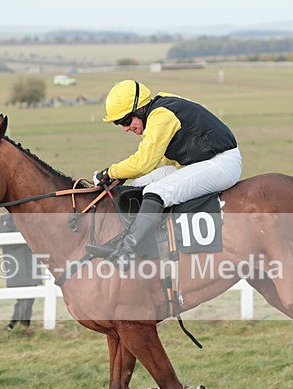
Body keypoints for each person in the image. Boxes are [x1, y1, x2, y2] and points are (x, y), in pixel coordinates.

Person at [85, 79, 242, 265]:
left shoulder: (161, 116)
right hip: (197, 163)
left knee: (157, 191)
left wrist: (110, 173)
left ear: (141, 109)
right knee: (138, 185)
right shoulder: (160, 107)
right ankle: (121, 240)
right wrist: (121, 177)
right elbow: (152, 163)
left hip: (221, 163)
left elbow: (143, 163)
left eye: (127, 120)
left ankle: (127, 252)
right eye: (120, 124)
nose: (126, 128)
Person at [0, 212, 41, 331]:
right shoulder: (5, 220)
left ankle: (20, 324)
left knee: (30, 296)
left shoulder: (30, 217)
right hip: (17, 264)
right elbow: (9, 241)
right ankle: (17, 324)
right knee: (23, 297)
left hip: (30, 263)